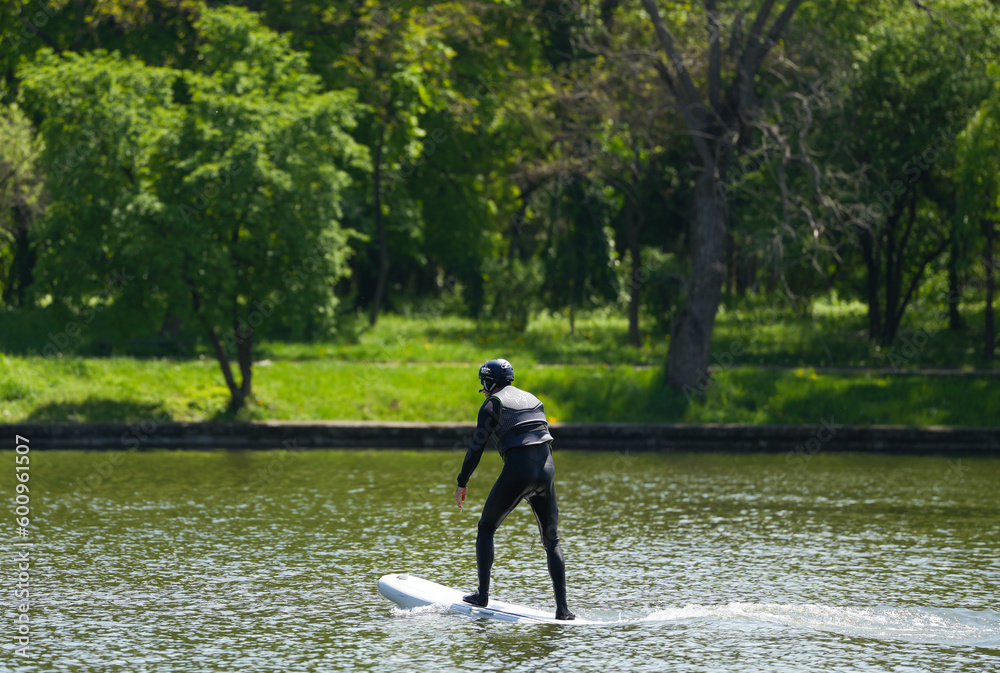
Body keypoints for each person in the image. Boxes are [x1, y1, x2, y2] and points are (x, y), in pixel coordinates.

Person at [453, 358, 575, 621]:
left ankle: (482, 595)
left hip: (519, 471)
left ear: (488, 382)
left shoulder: (492, 404)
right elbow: (543, 440)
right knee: (552, 540)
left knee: (486, 527)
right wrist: (546, 482)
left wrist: (462, 482)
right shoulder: (534, 399)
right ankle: (563, 610)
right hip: (547, 470)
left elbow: (476, 447)